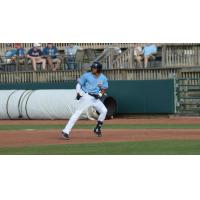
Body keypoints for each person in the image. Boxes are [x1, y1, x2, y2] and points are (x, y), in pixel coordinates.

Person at [61, 61, 108, 140]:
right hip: (86, 96)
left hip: (95, 98)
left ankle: (97, 128)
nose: (93, 69)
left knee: (104, 110)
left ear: (99, 69)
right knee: (78, 113)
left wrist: (99, 95)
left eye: (94, 68)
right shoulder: (87, 75)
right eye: (92, 67)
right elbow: (79, 84)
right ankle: (66, 131)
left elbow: (104, 89)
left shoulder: (103, 78)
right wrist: (78, 93)